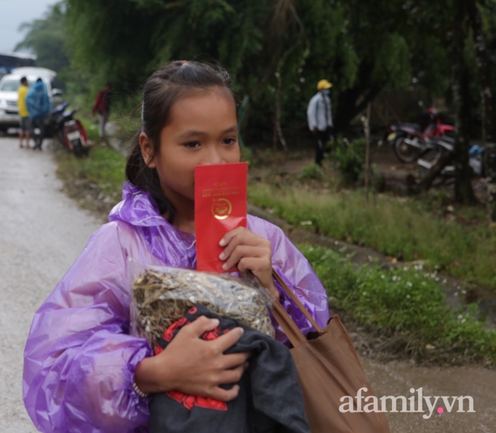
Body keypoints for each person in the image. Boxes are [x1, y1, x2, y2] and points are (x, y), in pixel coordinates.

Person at [22, 61, 329, 433]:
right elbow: (54, 367)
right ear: (150, 149)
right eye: (193, 143)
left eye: (228, 140)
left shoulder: (265, 241)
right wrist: (153, 372)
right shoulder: (121, 244)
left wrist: (272, 292)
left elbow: (312, 350)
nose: (216, 159)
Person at [307, 79, 334, 165]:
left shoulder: (327, 99)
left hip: (326, 126)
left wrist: (330, 123)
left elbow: (328, 113)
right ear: (320, 89)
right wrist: (313, 126)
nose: (327, 90)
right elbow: (311, 113)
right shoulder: (315, 100)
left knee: (328, 145)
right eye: (325, 88)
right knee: (319, 146)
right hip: (318, 127)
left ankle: (325, 161)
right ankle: (318, 163)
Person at [26, 78, 51, 151]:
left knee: (31, 129)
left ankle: (35, 143)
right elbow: (47, 104)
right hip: (41, 115)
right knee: (42, 130)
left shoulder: (32, 91)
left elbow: (27, 101)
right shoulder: (44, 92)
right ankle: (39, 144)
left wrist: (31, 110)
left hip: (33, 115)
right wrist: (45, 112)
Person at [17, 77, 31, 148]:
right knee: (27, 129)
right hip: (27, 112)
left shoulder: (19, 90)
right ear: (25, 82)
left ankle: (20, 143)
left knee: (21, 129)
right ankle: (27, 144)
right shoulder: (27, 90)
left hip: (21, 111)